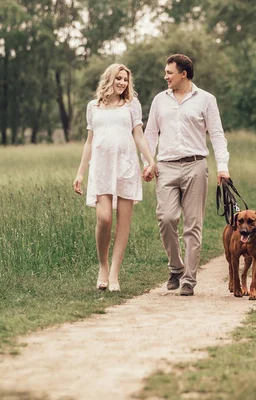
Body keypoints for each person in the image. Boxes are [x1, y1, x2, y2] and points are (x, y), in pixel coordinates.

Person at [142, 54, 231, 296]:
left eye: (169, 72)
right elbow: (150, 134)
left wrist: (222, 166)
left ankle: (189, 279)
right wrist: (148, 162)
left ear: (184, 74)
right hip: (166, 166)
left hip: (195, 165)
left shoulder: (206, 100)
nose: (165, 76)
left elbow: (217, 135)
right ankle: (176, 267)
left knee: (193, 225)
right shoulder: (160, 100)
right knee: (166, 218)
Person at [73, 63, 156, 292]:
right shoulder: (94, 106)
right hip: (101, 168)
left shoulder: (131, 105)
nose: (122, 83)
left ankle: (115, 274)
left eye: (125, 80)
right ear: (109, 79)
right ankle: (103, 265)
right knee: (104, 218)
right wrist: (80, 173)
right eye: (118, 78)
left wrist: (150, 160)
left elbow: (138, 136)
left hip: (126, 167)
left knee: (123, 223)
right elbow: (89, 141)